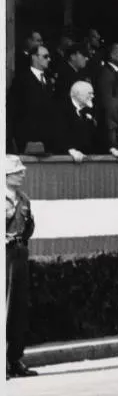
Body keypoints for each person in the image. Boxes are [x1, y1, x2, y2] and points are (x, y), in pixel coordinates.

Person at [6, 156, 37, 379]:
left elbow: (29, 228)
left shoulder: (24, 199)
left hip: (19, 253)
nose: (22, 174)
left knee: (18, 307)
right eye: (17, 171)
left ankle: (14, 359)